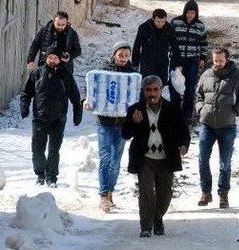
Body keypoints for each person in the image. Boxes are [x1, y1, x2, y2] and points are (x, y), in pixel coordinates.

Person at [122, 76, 190, 238]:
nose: (152, 93)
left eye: (155, 89)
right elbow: (125, 134)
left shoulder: (172, 108)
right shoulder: (135, 109)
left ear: (161, 90)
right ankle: (146, 227)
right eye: (148, 90)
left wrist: (184, 144)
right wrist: (133, 122)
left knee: (165, 194)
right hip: (145, 158)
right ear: (143, 91)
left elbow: (183, 131)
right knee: (146, 193)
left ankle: (157, 218)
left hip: (166, 158)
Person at [84, 41, 136, 212]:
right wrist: (86, 101)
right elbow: (93, 90)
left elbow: (135, 97)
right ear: (114, 54)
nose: (123, 58)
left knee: (116, 162)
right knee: (105, 159)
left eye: (126, 55)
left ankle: (110, 192)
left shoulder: (132, 74)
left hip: (122, 124)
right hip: (104, 123)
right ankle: (103, 194)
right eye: (121, 55)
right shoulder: (103, 70)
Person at [195, 47, 239, 209]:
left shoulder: (237, 76)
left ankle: (223, 194)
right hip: (207, 124)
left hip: (227, 125)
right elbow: (199, 95)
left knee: (225, 162)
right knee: (202, 159)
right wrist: (200, 109)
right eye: (215, 60)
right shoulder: (206, 75)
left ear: (227, 59)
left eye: (220, 60)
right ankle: (206, 192)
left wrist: (235, 112)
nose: (217, 63)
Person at [21, 48, 82, 188]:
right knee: (38, 149)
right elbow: (26, 93)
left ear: (60, 59)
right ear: (46, 58)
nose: (53, 60)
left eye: (56, 58)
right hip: (39, 118)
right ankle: (40, 175)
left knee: (54, 150)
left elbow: (75, 95)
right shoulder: (37, 73)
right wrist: (24, 107)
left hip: (58, 119)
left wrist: (77, 113)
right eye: (50, 57)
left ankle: (51, 177)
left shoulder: (65, 75)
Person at [170, 0, 208, 124]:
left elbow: (203, 42)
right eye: (188, 12)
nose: (190, 15)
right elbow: (169, 39)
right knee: (174, 86)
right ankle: (174, 112)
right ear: (184, 12)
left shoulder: (200, 25)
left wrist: (203, 57)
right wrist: (171, 54)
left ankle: (187, 115)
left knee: (190, 87)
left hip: (193, 59)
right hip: (177, 58)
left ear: (196, 13)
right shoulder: (175, 22)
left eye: (192, 13)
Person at [133, 9, 182, 86]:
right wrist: (135, 64)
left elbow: (175, 47)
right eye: (158, 21)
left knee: (160, 86)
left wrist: (178, 63)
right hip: (147, 62)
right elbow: (137, 46)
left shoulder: (169, 29)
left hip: (162, 63)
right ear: (153, 19)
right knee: (147, 86)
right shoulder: (144, 28)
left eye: (163, 21)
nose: (161, 24)